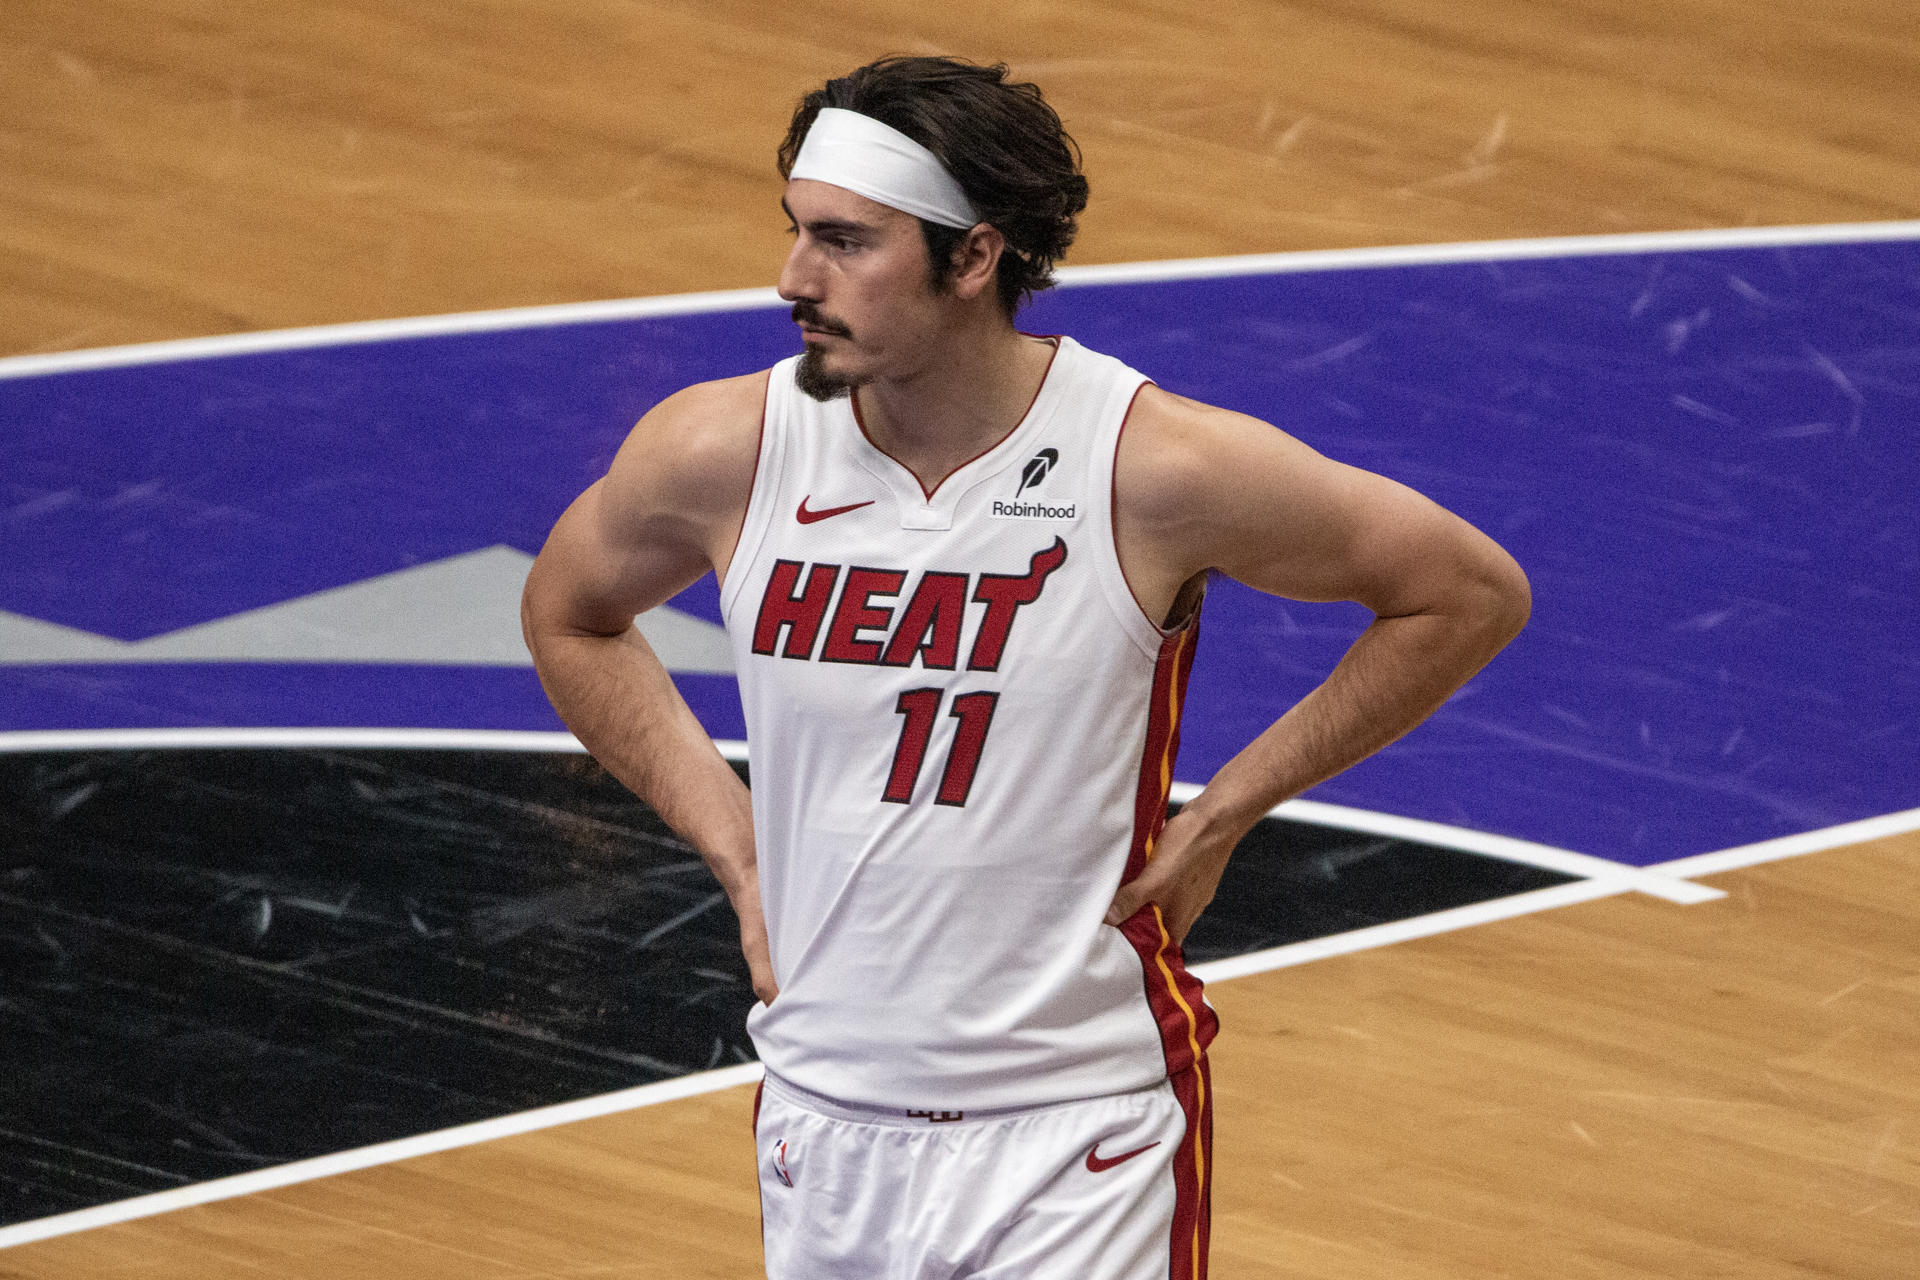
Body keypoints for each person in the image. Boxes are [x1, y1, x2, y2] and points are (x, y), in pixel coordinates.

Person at [521, 55, 1530, 1280]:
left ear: (974, 256)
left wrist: (1228, 810)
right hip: (823, 1119)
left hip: (1080, 1131)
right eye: (794, 231)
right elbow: (569, 616)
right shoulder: (721, 450)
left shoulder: (1147, 466)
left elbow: (1463, 591)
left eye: (845, 241)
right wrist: (734, 844)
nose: (794, 278)